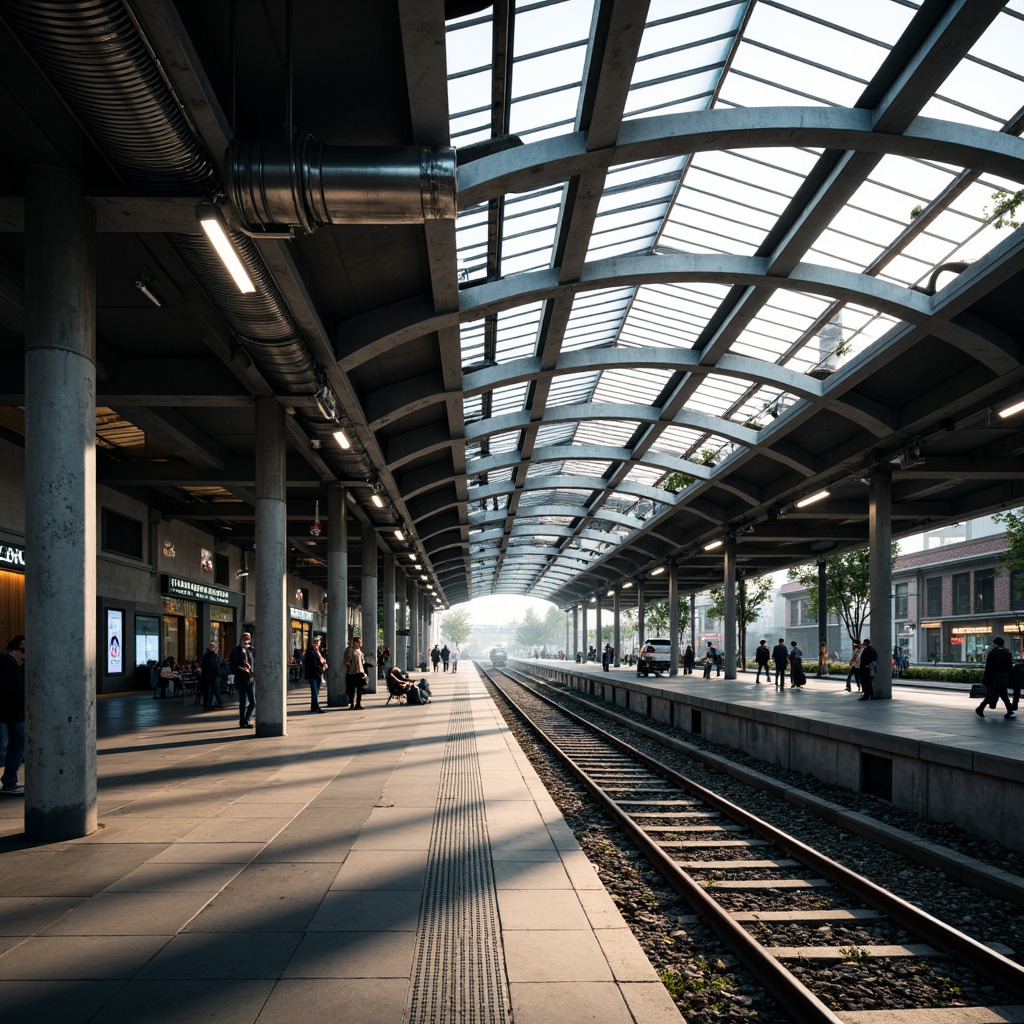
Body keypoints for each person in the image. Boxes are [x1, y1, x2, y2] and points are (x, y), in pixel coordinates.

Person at [0, 635, 25, 795]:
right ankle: (9, 782)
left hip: (16, 714)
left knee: (18, 744)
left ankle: (9, 782)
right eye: (23, 650)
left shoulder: (19, 666)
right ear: (13, 649)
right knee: (2, 745)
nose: (26, 653)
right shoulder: (4, 664)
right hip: (4, 713)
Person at [977, 636, 1015, 719]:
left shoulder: (992, 653)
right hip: (1004, 677)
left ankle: (980, 708)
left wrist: (985, 679)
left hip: (994, 677)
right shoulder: (1007, 653)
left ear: (995, 644)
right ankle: (1009, 710)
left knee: (991, 694)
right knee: (1004, 694)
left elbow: (988, 668)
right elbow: (1010, 667)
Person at [230, 632, 256, 728]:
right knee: (243, 702)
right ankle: (242, 722)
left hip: (250, 679)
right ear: (241, 639)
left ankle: (246, 719)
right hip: (241, 680)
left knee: (253, 702)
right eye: (245, 638)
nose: (246, 640)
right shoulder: (236, 651)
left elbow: (252, 664)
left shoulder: (250, 650)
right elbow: (232, 667)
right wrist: (242, 670)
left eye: (248, 638)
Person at [304, 636, 327, 714]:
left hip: (317, 673)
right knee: (314, 691)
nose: (317, 642)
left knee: (316, 691)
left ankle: (315, 707)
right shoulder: (311, 651)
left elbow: (319, 661)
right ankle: (315, 707)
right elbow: (313, 663)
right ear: (312, 642)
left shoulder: (317, 651)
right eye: (316, 641)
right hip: (313, 673)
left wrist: (323, 664)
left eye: (319, 641)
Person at [344, 635, 368, 709]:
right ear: (355, 642)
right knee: (352, 689)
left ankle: (358, 703)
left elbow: (362, 662)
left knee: (359, 689)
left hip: (360, 672)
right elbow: (347, 661)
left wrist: (364, 673)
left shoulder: (359, 651)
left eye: (360, 641)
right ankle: (352, 703)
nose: (360, 643)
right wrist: (349, 670)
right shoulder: (351, 650)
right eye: (359, 641)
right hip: (353, 672)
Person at [199, 641, 223, 709]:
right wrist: (219, 671)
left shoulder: (207, 655)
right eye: (211, 646)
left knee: (209, 690)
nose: (212, 648)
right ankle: (216, 702)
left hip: (208, 675)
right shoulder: (212, 655)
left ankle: (209, 703)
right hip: (212, 675)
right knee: (214, 689)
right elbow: (215, 665)